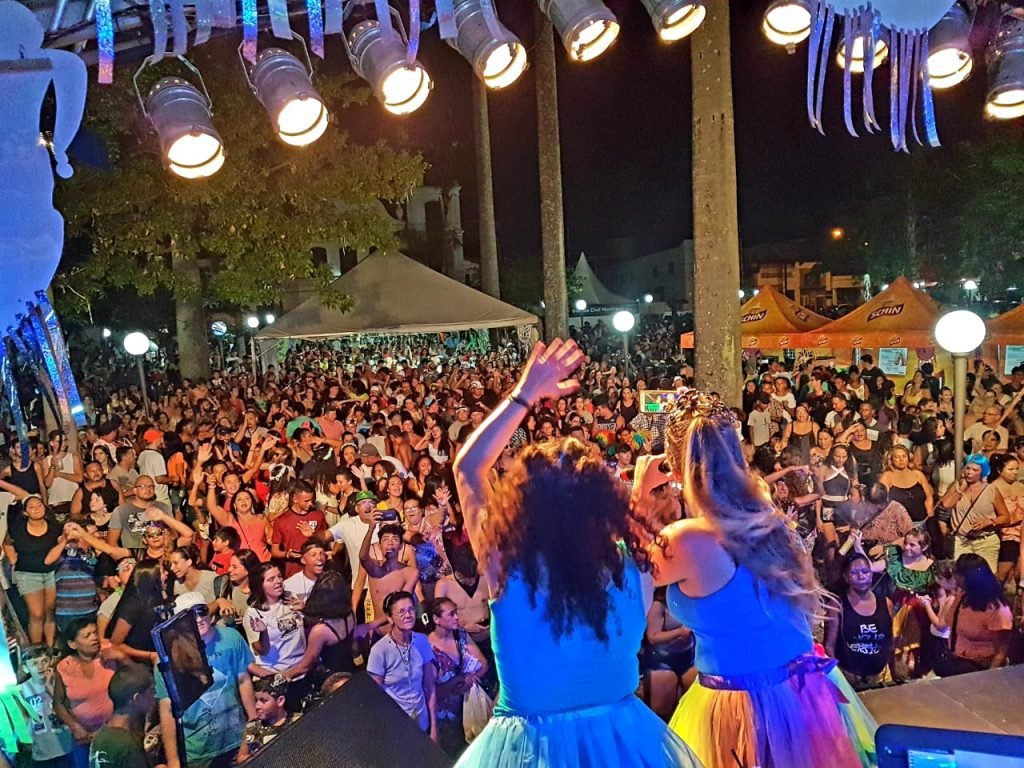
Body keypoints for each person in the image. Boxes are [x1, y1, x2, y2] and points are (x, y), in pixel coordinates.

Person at [452, 339, 700, 767]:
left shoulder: (504, 566)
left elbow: (468, 467)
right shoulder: (634, 567)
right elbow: (631, 533)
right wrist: (638, 492)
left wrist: (524, 394)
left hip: (528, 748)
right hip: (625, 743)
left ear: (522, 505)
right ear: (602, 501)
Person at [640, 389, 875, 768]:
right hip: (802, 695)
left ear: (674, 462)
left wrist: (639, 495)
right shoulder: (773, 522)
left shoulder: (688, 539)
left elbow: (627, 583)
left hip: (739, 703)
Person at [158, 591, 257, 768]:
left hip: (236, 740)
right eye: (189, 616)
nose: (198, 619)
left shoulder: (230, 638)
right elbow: (167, 710)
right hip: (198, 752)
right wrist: (173, 760)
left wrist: (252, 728)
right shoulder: (168, 658)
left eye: (201, 611)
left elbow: (244, 682)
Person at [366, 590, 438, 740]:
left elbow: (429, 685)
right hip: (395, 726)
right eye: (401, 612)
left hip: (421, 719)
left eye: (411, 609)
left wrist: (434, 728)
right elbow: (374, 695)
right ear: (390, 618)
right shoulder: (380, 650)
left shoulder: (422, 641)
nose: (408, 615)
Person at [924, 554, 1013, 675]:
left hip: (980, 668)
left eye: (957, 574)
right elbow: (948, 622)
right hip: (956, 661)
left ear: (967, 578)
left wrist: (987, 680)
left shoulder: (998, 609)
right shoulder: (962, 597)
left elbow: (1000, 654)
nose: (954, 577)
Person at [427, 597, 489, 758]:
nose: (457, 617)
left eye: (456, 613)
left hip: (468, 707)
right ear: (436, 619)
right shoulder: (427, 647)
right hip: (445, 717)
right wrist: (458, 680)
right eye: (451, 614)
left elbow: (483, 664)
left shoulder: (460, 635)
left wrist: (470, 678)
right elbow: (433, 692)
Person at [52, 618, 117, 768]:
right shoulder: (64, 667)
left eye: (95, 633)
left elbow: (132, 683)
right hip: (84, 737)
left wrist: (122, 658)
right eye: (86, 636)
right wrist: (75, 728)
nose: (94, 638)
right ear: (72, 644)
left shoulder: (108, 654)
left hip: (115, 729)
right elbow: (58, 702)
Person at [825, 553, 894, 690]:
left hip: (880, 677)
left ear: (871, 574)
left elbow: (890, 641)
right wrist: (837, 678)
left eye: (865, 572)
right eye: (854, 573)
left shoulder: (886, 603)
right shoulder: (838, 605)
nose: (861, 577)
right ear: (845, 577)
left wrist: (892, 668)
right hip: (848, 679)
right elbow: (829, 647)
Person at [244, 563, 309, 710]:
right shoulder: (254, 613)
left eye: (279, 576)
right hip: (277, 677)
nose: (278, 581)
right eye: (271, 579)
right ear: (260, 585)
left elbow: (308, 630)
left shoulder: (290, 597)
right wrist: (263, 632)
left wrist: (306, 610)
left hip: (301, 671)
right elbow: (262, 650)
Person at [5, 494, 61, 646]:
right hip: (27, 573)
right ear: (25, 512)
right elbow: (7, 543)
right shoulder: (17, 528)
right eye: (31, 507)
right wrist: (12, 559)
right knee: (37, 614)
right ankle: (37, 649)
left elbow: (60, 544)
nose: (36, 509)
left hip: (51, 572)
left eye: (39, 505)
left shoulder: (54, 526)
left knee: (50, 611)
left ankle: (50, 647)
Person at [640, 586, 695, 721]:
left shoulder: (692, 601)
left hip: (688, 656)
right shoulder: (659, 604)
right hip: (662, 658)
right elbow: (653, 636)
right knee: (665, 684)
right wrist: (678, 632)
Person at [940, 453, 1001, 572]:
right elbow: (945, 505)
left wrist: (989, 521)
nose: (969, 472)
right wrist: (961, 488)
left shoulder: (991, 489)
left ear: (982, 472)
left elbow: (1005, 517)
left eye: (974, 470)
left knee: (985, 577)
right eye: (967, 468)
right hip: (962, 541)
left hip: (985, 541)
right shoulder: (957, 487)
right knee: (961, 577)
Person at [89, 663, 156, 768]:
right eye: (152, 692)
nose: (154, 697)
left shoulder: (100, 736)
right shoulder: (129, 746)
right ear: (137, 699)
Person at [237, 674, 298, 762]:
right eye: (256, 700)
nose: (257, 706)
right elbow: (241, 756)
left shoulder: (296, 722)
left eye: (263, 700)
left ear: (280, 701)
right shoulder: (252, 728)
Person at [282, 537, 325, 604]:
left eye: (322, 554)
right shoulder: (289, 585)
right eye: (313, 555)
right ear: (303, 560)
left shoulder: (333, 582)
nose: (319, 558)